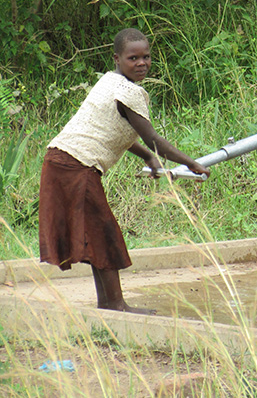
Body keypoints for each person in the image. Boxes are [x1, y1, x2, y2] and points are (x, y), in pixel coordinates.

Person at [39, 28, 210, 314]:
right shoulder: (128, 91)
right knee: (104, 232)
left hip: (62, 161)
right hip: (75, 166)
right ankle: (117, 305)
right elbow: (153, 139)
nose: (141, 63)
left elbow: (116, 130)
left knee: (96, 233)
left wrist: (148, 157)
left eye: (146, 57)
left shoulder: (109, 82)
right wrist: (191, 163)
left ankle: (107, 304)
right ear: (117, 58)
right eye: (133, 58)